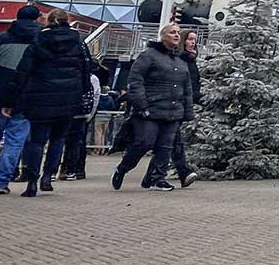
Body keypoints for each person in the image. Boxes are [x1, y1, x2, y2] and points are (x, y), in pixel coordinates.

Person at [111, 23, 194, 192]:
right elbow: (135, 80)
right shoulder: (149, 55)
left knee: (166, 146)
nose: (177, 35)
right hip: (151, 108)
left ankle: (158, 178)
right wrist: (141, 105)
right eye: (172, 33)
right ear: (163, 36)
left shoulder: (181, 60)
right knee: (144, 142)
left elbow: (187, 88)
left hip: (173, 110)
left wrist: (187, 111)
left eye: (178, 32)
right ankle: (123, 168)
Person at [18, 8, 91, 197]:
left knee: (37, 141)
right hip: (68, 97)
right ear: (67, 20)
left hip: (41, 96)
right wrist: (82, 91)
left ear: (48, 20)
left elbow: (25, 69)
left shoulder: (39, 39)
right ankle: (47, 177)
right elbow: (86, 68)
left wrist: (17, 96)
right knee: (58, 139)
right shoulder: (78, 41)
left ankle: (32, 182)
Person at [0, 4, 40, 194]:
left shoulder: (1, 38)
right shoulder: (40, 40)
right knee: (15, 141)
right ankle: (1, 182)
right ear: (37, 19)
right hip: (26, 98)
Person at [141, 28, 201, 189]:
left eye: (194, 39)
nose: (192, 42)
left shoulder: (190, 59)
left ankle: (151, 177)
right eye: (189, 39)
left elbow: (192, 84)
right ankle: (182, 171)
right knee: (171, 141)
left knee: (168, 142)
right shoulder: (178, 59)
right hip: (171, 105)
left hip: (180, 105)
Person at [58, 58, 101, 180]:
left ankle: (53, 170)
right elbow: (95, 98)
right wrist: (90, 115)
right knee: (77, 144)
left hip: (65, 113)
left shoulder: (67, 75)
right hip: (82, 115)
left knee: (59, 141)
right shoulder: (92, 78)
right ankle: (75, 170)